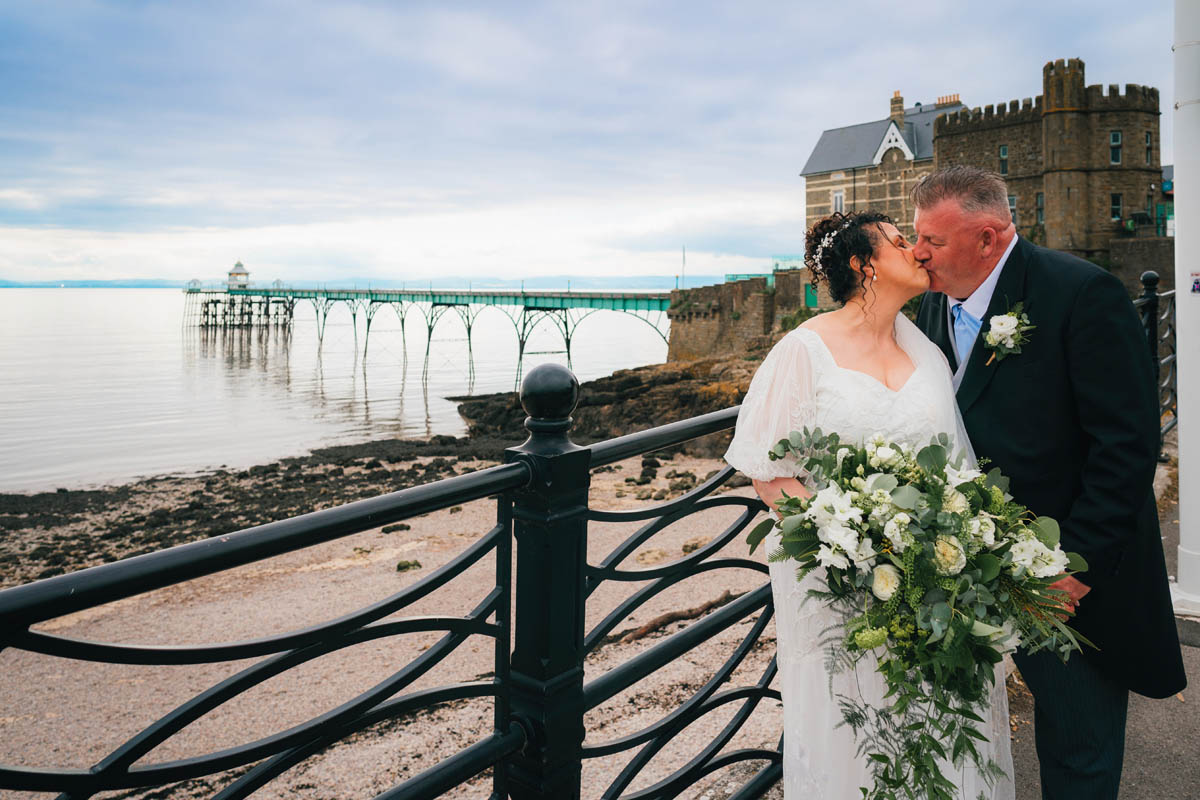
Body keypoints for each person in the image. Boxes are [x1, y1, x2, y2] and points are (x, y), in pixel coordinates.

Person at [910, 166, 1186, 799]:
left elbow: (1126, 444)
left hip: (1061, 577)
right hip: (971, 569)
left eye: (932, 240)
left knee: (1076, 748)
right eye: (916, 238)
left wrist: (1075, 568)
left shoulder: (1081, 294)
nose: (918, 253)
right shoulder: (932, 303)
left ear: (988, 238)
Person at [724, 210, 1014, 798]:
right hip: (843, 592)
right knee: (860, 732)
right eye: (899, 242)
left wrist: (950, 548)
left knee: (941, 722)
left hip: (936, 584)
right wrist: (854, 545)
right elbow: (772, 474)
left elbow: (955, 462)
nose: (916, 250)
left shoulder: (926, 352)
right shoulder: (803, 351)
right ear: (863, 265)